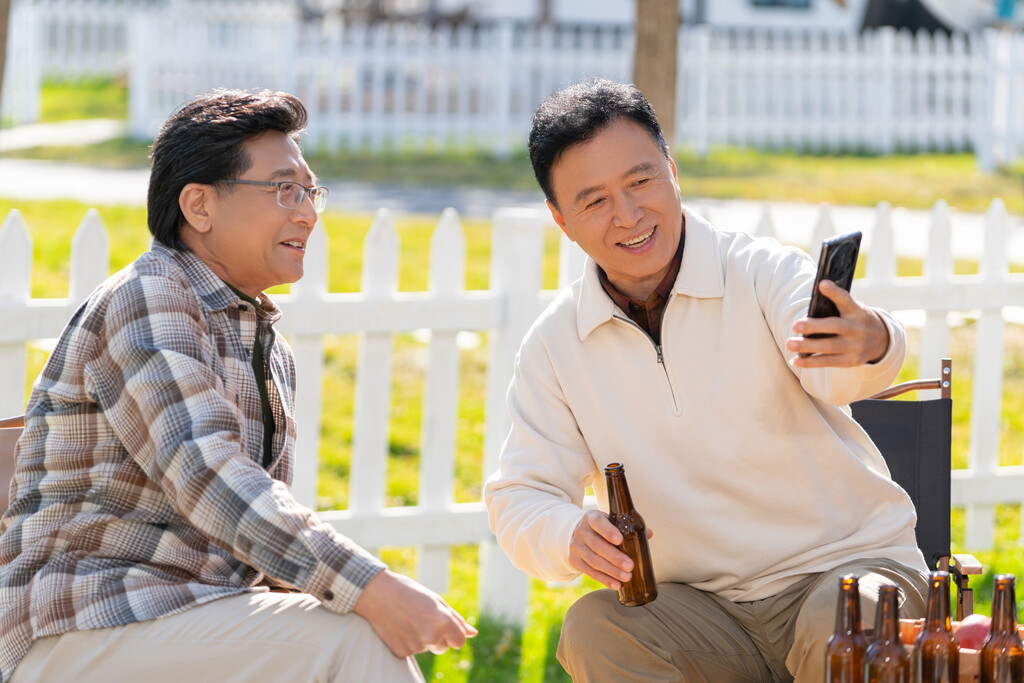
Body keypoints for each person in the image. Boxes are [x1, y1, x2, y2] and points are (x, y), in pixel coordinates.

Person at [0, 89, 475, 683]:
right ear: (199, 205)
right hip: (83, 625)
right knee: (352, 639)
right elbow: (210, 476)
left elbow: (251, 531)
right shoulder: (151, 298)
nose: (306, 212)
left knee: (345, 628)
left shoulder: (261, 337)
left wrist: (345, 593)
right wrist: (371, 588)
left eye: (309, 192)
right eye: (283, 189)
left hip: (192, 615)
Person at [483, 78, 929, 683]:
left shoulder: (762, 271)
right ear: (561, 221)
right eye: (595, 201)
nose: (629, 214)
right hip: (701, 610)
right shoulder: (555, 344)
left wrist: (872, 340)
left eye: (640, 181)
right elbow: (518, 497)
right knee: (595, 628)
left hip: (845, 570)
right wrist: (566, 533)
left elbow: (835, 369)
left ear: (672, 169)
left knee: (849, 622)